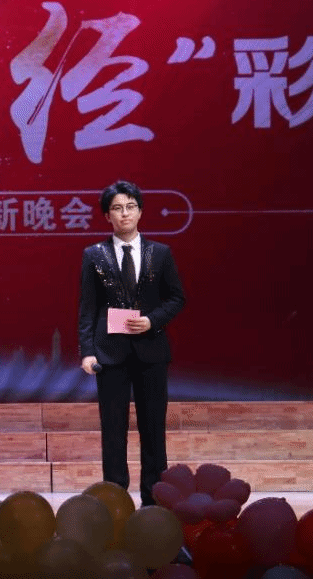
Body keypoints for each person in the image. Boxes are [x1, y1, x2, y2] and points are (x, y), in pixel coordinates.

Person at [78, 180, 186, 507]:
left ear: (140, 212)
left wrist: (153, 320)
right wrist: (87, 352)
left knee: (153, 429)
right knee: (113, 430)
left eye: (130, 207)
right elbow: (87, 308)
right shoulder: (94, 255)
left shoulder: (161, 253)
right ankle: (115, 501)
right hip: (110, 353)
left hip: (151, 350)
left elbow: (177, 298)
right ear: (107, 216)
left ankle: (153, 501)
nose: (124, 213)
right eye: (117, 208)